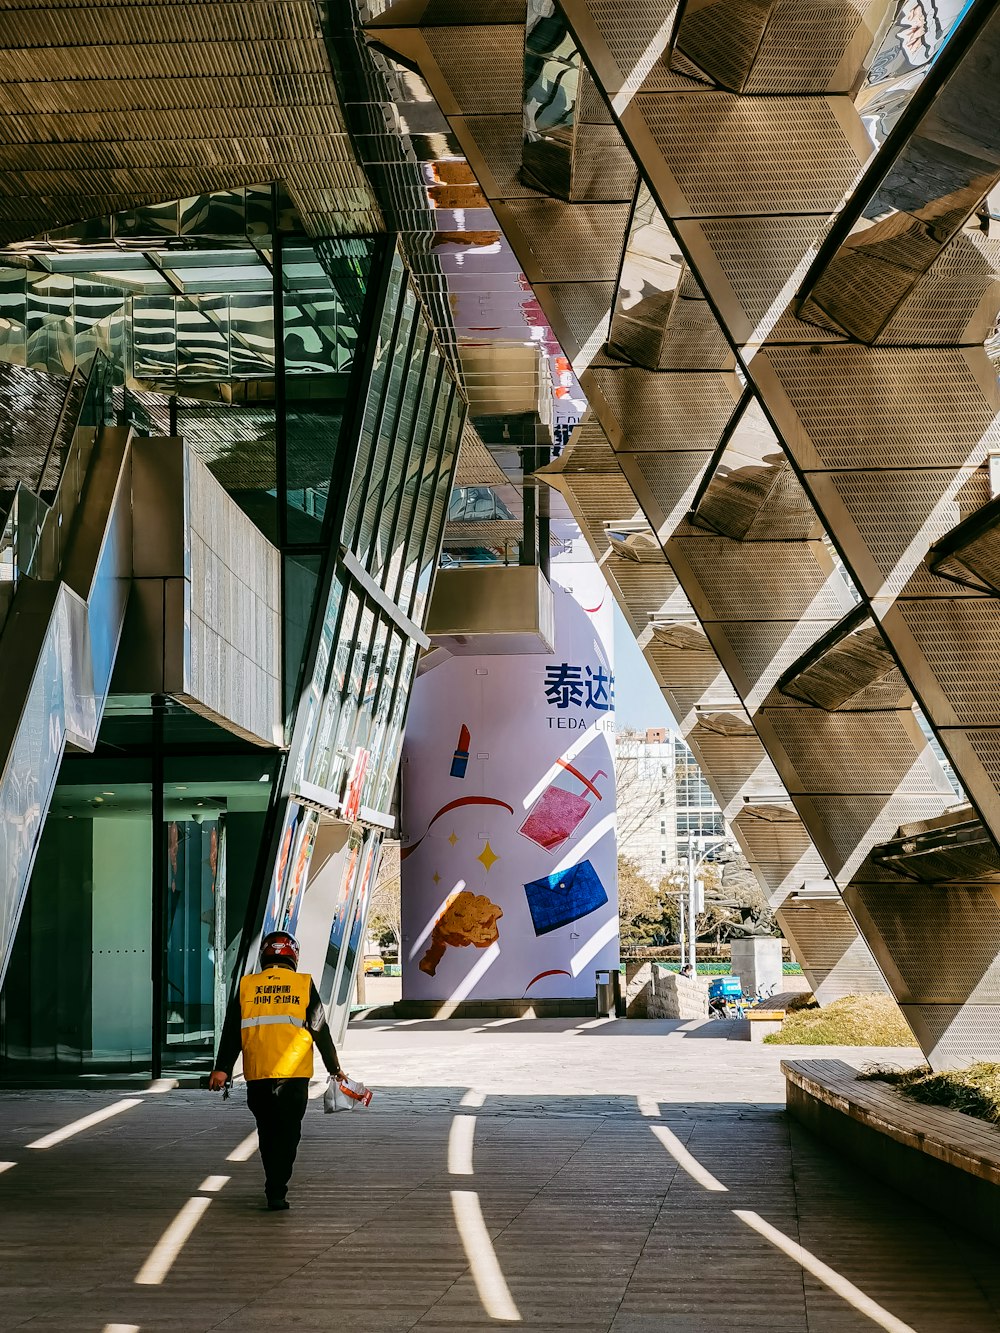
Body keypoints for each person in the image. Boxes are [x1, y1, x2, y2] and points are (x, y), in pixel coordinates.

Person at [208, 930, 344, 1211]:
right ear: (293, 956)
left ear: (264, 956)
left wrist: (222, 1069)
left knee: (267, 1131)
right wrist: (334, 1068)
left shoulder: (247, 985)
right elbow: (320, 1028)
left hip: (258, 1074)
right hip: (295, 1075)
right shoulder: (303, 984)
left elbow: (232, 1031)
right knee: (289, 1131)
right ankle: (277, 1188)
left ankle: (274, 1183)